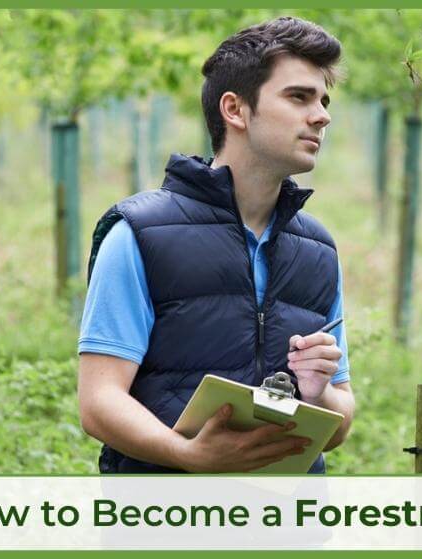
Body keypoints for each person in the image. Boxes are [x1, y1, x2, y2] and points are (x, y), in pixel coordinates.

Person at [77, 16, 355, 474]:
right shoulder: (139, 234)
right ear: (235, 109)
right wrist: (187, 455)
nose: (321, 115)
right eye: (298, 97)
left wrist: (318, 390)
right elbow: (99, 401)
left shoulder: (318, 249)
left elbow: (339, 422)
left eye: (324, 100)